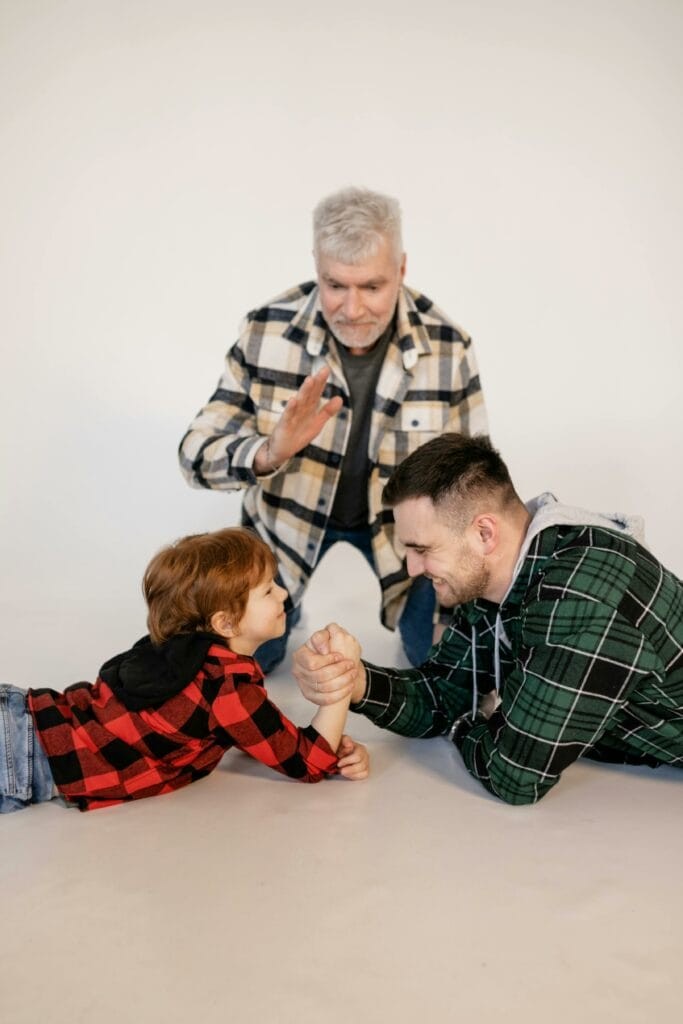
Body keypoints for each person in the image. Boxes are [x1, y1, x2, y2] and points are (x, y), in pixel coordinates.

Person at [178, 186, 487, 672]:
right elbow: (193, 455)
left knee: (444, 667)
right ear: (316, 267)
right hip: (284, 531)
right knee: (240, 667)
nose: (352, 307)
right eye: (335, 285)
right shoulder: (265, 331)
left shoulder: (449, 346)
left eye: (372, 287)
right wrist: (267, 452)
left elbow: (477, 485)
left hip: (403, 539)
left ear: (401, 270)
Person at [292, 433, 683, 805]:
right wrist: (357, 680)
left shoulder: (578, 596)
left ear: (484, 533)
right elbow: (444, 690)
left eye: (422, 549)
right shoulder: (498, 578)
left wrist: (468, 722)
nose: (412, 569)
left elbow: (513, 776)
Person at [0, 528, 369, 814]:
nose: (284, 595)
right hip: (26, 756)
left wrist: (328, 743)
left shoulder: (188, 655)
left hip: (25, 719)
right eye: (267, 591)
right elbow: (308, 763)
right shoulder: (227, 687)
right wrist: (342, 678)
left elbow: (260, 737)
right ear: (225, 623)